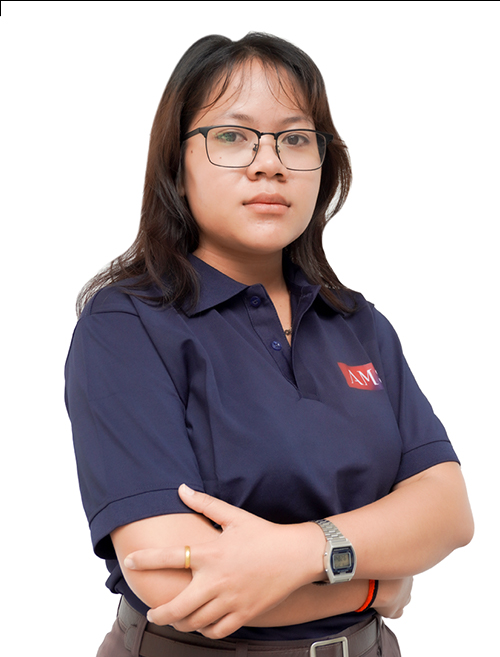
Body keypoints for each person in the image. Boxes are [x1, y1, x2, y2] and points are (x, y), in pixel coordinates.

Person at [65, 32, 474, 657]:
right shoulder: (126, 324)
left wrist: (300, 552)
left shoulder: (357, 323)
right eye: (232, 136)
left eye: (296, 139)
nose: (269, 163)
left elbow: (446, 512)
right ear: (177, 163)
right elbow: (173, 583)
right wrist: (372, 584)